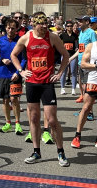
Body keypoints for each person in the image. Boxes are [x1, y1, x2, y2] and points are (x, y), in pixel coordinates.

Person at [11, 11, 71, 167]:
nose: (45, 26)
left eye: (46, 24)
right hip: (31, 82)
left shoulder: (52, 37)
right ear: (34, 24)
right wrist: (21, 71)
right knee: (34, 118)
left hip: (47, 83)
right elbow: (13, 55)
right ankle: (36, 151)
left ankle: (61, 152)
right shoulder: (26, 38)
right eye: (41, 24)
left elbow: (65, 55)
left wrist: (59, 73)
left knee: (51, 119)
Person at [0, 18, 24, 135]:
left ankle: (17, 124)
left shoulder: (20, 41)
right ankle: (8, 123)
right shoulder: (0, 40)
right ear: (5, 28)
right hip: (3, 74)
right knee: (5, 99)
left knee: (14, 99)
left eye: (13, 28)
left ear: (17, 29)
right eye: (8, 28)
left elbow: (25, 59)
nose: (10, 30)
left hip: (15, 74)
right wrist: (2, 60)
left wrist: (18, 71)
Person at [60, 21, 79, 95]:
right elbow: (59, 44)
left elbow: (77, 44)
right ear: (66, 27)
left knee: (74, 72)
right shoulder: (62, 35)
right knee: (63, 72)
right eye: (68, 26)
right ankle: (62, 88)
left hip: (73, 55)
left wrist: (77, 48)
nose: (70, 27)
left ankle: (73, 89)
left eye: (71, 26)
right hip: (64, 55)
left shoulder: (75, 35)